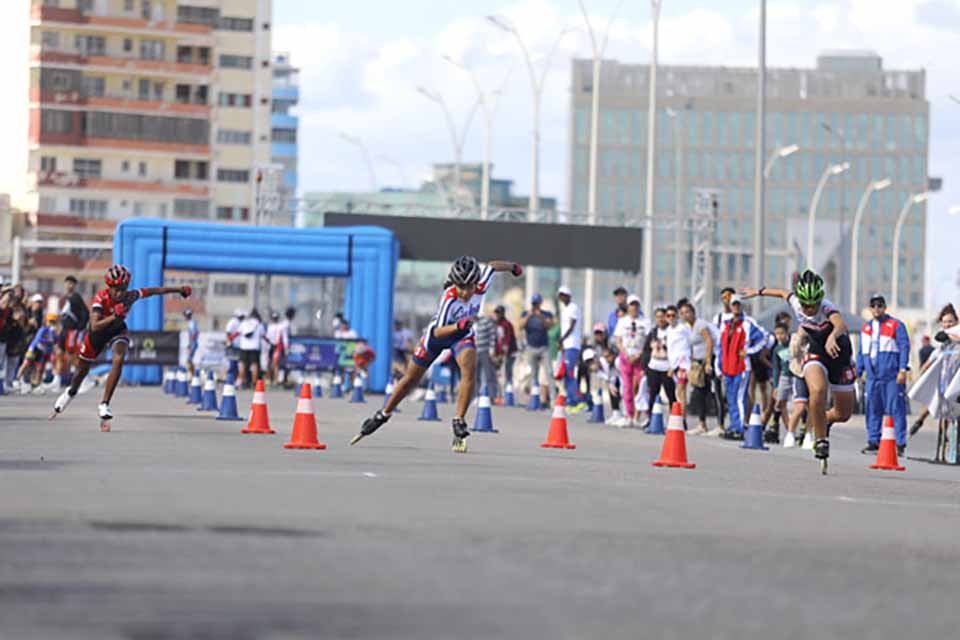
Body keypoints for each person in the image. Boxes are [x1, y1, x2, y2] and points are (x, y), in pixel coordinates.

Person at [352, 256, 523, 452]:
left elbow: (492, 266)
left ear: (476, 284)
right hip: (438, 336)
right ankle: (383, 414)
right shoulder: (450, 298)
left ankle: (459, 420)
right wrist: (458, 324)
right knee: (410, 379)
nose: (465, 292)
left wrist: (513, 267)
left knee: (469, 368)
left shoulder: (480, 287)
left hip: (462, 335)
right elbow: (437, 332)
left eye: (469, 287)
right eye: (460, 286)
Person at [740, 270, 857, 469]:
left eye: (813, 304)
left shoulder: (827, 308)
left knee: (843, 413)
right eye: (805, 304)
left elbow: (840, 324)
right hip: (816, 352)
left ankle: (824, 419)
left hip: (839, 354)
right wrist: (757, 292)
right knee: (817, 391)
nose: (809, 309)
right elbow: (782, 292)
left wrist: (832, 336)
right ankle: (820, 440)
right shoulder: (796, 302)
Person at [53, 264, 191, 422]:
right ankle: (70, 392)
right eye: (116, 289)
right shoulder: (101, 298)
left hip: (117, 330)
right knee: (81, 371)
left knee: (119, 359)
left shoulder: (130, 296)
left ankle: (104, 404)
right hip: (96, 334)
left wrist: (179, 289)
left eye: (123, 288)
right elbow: (95, 325)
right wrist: (114, 315)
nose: (119, 293)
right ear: (109, 286)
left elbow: (155, 291)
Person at [856, 294, 910, 456]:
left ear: (885, 307)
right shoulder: (866, 328)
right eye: (873, 306)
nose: (876, 309)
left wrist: (902, 369)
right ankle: (873, 440)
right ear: (870, 308)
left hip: (891, 375)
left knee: (896, 408)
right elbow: (861, 352)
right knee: (872, 408)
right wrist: (858, 372)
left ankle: (899, 443)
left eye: (880, 305)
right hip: (873, 377)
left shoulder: (895, 325)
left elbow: (904, 347)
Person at [717, 295, 767, 439]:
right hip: (727, 367)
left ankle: (739, 428)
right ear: (730, 306)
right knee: (731, 398)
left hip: (741, 367)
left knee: (740, 398)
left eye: (738, 305)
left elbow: (764, 337)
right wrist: (718, 366)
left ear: (742, 306)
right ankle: (734, 425)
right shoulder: (725, 323)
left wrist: (750, 351)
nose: (736, 307)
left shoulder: (748, 323)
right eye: (734, 305)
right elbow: (720, 347)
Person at [910, 304, 960, 437]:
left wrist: (951, 335)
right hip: (944, 381)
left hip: (956, 384)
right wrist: (924, 370)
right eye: (944, 322)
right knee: (937, 403)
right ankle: (921, 420)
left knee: (953, 410)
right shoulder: (943, 345)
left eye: (950, 321)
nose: (947, 324)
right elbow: (931, 361)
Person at [679, 300, 716, 435]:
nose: (685, 315)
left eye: (687, 312)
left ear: (693, 312)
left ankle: (718, 425)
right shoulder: (688, 327)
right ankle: (702, 424)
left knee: (709, 392)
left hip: (708, 361)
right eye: (682, 313)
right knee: (700, 392)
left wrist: (708, 362)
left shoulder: (700, 324)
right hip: (697, 362)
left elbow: (709, 341)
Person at [614, 295, 649, 426]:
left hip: (640, 357)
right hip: (626, 356)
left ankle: (647, 414)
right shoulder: (622, 322)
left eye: (636, 305)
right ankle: (629, 415)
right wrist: (627, 354)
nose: (633, 307)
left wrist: (639, 354)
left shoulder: (645, 321)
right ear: (628, 307)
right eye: (631, 305)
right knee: (627, 387)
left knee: (643, 386)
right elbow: (618, 341)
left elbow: (648, 340)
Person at [52, 275, 88, 391]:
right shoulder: (63, 298)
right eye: (67, 283)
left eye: (72, 283)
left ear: (74, 286)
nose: (69, 285)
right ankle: (56, 380)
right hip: (63, 330)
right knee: (59, 353)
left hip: (72, 331)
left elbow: (85, 313)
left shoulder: (76, 297)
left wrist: (79, 327)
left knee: (71, 356)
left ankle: (83, 380)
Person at [641, 306, 675, 427]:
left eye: (662, 317)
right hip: (654, 367)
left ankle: (674, 420)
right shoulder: (653, 332)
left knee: (671, 395)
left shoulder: (671, 331)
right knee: (652, 394)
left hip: (667, 368)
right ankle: (651, 419)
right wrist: (644, 367)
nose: (660, 319)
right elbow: (645, 350)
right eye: (658, 317)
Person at [519, 294, 554, 407]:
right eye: (534, 304)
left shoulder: (546, 314)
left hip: (544, 347)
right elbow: (520, 326)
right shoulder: (526, 314)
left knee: (549, 373)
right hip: (531, 347)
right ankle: (533, 399)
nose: (535, 306)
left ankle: (553, 399)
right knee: (532, 373)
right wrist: (529, 316)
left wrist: (541, 317)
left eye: (537, 304)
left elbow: (550, 325)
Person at [762, 322, 793, 444]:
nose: (779, 336)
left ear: (787, 333)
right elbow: (776, 368)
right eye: (777, 334)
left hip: (796, 376)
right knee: (780, 403)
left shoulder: (793, 345)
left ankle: (802, 428)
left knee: (800, 404)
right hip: (784, 377)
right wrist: (775, 386)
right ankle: (789, 429)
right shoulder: (777, 349)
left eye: (782, 333)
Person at [557, 286, 585, 412]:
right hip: (567, 345)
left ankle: (576, 401)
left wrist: (562, 339)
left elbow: (572, 326)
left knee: (569, 373)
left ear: (569, 296)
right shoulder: (565, 309)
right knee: (566, 374)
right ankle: (571, 400)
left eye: (564, 295)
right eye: (560, 295)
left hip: (572, 344)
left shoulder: (573, 308)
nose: (562, 297)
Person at [17, 312, 59, 391]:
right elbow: (38, 339)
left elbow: (56, 340)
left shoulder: (52, 330)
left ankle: (35, 384)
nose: (51, 324)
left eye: (53, 322)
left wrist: (54, 337)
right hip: (34, 348)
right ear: (46, 321)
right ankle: (17, 380)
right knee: (26, 363)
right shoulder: (43, 329)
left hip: (41, 350)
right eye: (50, 322)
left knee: (37, 367)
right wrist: (48, 340)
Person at [665, 305, 692, 423]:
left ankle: (682, 419)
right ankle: (680, 417)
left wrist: (674, 366)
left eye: (673, 315)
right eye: (668, 316)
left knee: (681, 391)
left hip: (682, 364)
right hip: (673, 364)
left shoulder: (682, 328)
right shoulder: (668, 330)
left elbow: (683, 349)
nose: (671, 318)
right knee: (678, 392)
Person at [493, 304, 518, 400]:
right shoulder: (495, 325)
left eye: (499, 313)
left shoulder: (507, 324)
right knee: (497, 374)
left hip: (510, 353)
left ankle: (508, 394)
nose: (497, 315)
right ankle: (499, 394)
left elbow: (507, 340)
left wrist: (503, 354)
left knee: (507, 372)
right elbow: (495, 340)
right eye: (496, 313)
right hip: (500, 353)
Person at [237, 309, 265, 388]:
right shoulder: (259, 324)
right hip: (254, 347)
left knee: (242, 364)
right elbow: (263, 336)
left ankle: (241, 381)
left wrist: (229, 340)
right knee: (254, 365)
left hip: (244, 346)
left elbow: (236, 333)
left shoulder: (244, 323)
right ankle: (253, 383)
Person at [474, 310, 499, 399]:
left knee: (489, 374)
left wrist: (492, 349)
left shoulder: (486, 321)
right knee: (475, 375)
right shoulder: (471, 324)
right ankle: (475, 395)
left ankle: (492, 396)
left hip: (485, 351)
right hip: (474, 352)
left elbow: (492, 335)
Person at [224, 308, 245, 381]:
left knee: (237, 363)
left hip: (240, 345)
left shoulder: (241, 322)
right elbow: (228, 332)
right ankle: (230, 378)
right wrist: (229, 342)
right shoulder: (232, 322)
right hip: (233, 345)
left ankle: (235, 378)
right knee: (232, 362)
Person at [265, 311, 284, 385]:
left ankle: (275, 380)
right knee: (270, 363)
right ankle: (270, 379)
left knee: (274, 364)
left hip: (276, 346)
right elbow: (267, 338)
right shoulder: (270, 326)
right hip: (272, 346)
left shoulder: (279, 327)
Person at [183, 308, 199, 378]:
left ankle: (193, 375)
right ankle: (193, 375)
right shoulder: (191, 322)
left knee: (188, 360)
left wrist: (190, 343)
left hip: (193, 343)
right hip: (193, 343)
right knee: (189, 360)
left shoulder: (191, 323)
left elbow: (194, 333)